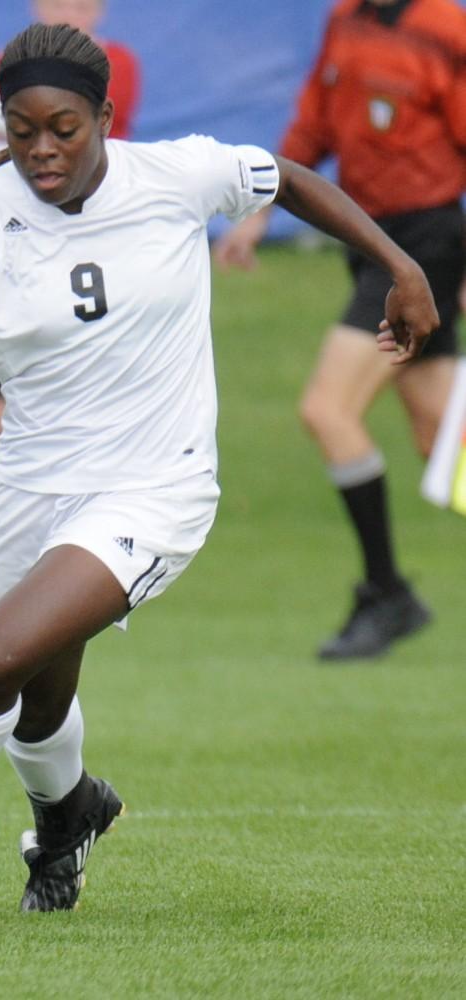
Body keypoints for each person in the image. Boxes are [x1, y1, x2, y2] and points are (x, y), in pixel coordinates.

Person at [0, 21, 437, 920]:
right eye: (22, 133)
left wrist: (401, 267)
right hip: (27, 487)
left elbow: (286, 177)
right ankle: (69, 817)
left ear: (104, 115)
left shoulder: (174, 176)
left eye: (63, 128)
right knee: (33, 695)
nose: (43, 150)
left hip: (155, 486)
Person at [213, 0, 466, 662]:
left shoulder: (447, 29)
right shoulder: (346, 19)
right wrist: (260, 212)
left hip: (427, 246)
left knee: (328, 411)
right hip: (373, 245)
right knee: (442, 436)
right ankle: (390, 596)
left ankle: (387, 593)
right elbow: (315, 123)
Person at [0, 0, 141, 467]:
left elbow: (105, 149)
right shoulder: (2, 68)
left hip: (86, 250)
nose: (71, 14)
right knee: (3, 429)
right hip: (14, 250)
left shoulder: (115, 65)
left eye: (83, 5)